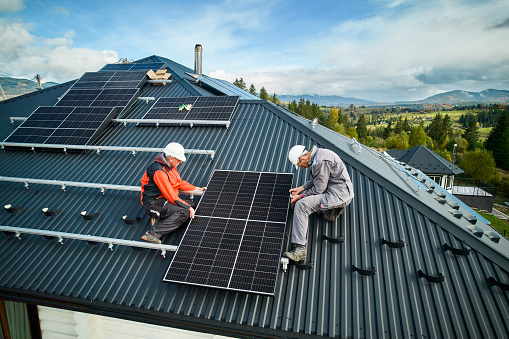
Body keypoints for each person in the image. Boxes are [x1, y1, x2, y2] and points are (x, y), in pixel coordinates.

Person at [283, 145, 354, 262]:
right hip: (335, 190)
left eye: (300, 165)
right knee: (307, 199)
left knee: (301, 206)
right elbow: (318, 179)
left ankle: (300, 249)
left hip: (337, 195)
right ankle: (331, 210)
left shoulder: (320, 161)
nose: (302, 168)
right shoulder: (318, 156)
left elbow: (318, 190)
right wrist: (301, 188)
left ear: (302, 159)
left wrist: (299, 197)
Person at [140, 142, 206, 244]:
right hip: (153, 202)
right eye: (179, 160)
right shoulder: (159, 171)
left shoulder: (169, 167)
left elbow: (178, 183)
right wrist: (187, 208)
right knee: (184, 212)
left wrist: (197, 188)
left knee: (193, 205)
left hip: (163, 199)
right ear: (171, 158)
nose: (180, 162)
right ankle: (152, 234)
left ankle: (159, 217)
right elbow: (170, 195)